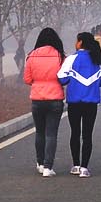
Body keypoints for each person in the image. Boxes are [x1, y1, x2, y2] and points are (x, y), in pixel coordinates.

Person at [57, 31, 101, 177]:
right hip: (91, 102)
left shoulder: (72, 59)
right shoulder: (97, 59)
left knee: (75, 133)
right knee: (87, 135)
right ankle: (85, 168)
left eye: (76, 41)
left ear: (80, 42)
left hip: (74, 102)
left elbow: (61, 78)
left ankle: (76, 165)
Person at [23, 28, 67, 176]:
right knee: (51, 134)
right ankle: (48, 167)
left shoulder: (31, 56)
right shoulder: (60, 56)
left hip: (37, 98)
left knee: (39, 132)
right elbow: (64, 78)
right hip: (55, 99)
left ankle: (40, 163)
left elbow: (27, 79)